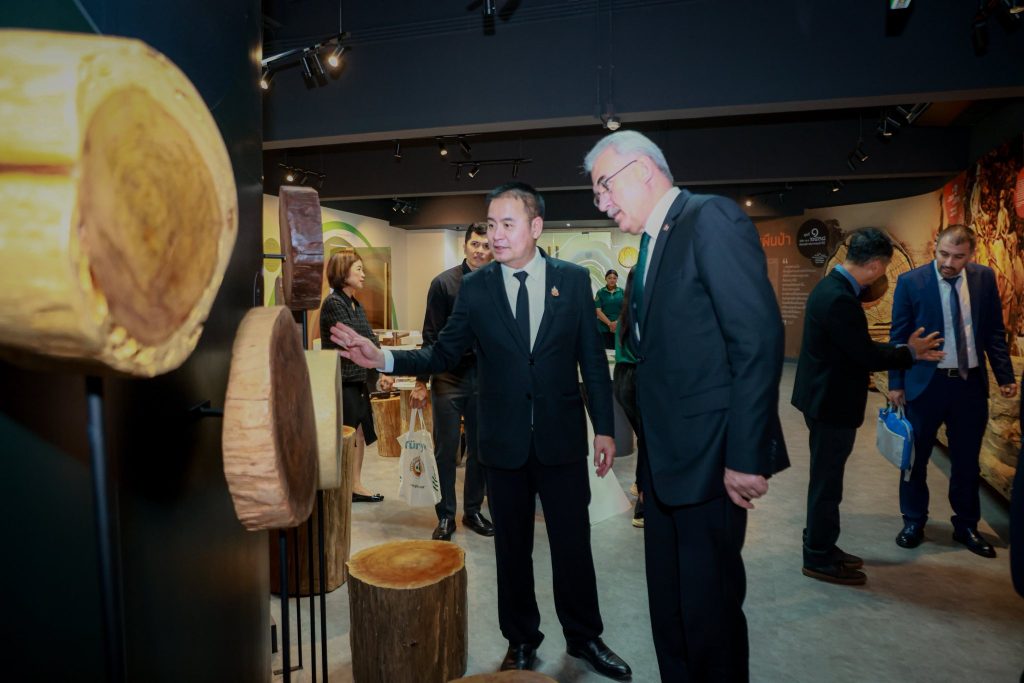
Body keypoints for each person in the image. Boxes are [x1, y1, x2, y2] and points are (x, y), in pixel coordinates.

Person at [330, 182, 632, 680]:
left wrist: (603, 428)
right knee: (512, 550)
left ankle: (584, 637)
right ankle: (521, 640)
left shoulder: (574, 281)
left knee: (573, 546)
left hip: (559, 439)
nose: (495, 235)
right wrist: (383, 357)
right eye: (491, 224)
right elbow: (443, 352)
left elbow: (591, 364)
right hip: (503, 442)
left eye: (507, 224)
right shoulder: (477, 287)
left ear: (536, 227)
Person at [585, 130, 788, 682]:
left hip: (712, 464)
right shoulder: (654, 243)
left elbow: (757, 340)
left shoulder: (709, 219)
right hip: (666, 467)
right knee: (670, 609)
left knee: (709, 615)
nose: (601, 202)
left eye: (604, 187)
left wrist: (746, 455)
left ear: (642, 169)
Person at [791, 228, 944, 586]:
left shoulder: (831, 287)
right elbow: (864, 354)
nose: (882, 275)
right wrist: (910, 352)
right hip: (831, 404)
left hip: (823, 400)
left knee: (826, 480)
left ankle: (822, 545)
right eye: (884, 268)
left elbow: (852, 348)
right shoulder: (839, 299)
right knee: (827, 484)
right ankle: (817, 555)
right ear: (875, 265)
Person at [888, 224, 1018, 557]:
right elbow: (898, 337)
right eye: (944, 254)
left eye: (958, 257)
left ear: (970, 255)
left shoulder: (984, 278)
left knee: (966, 463)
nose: (949, 262)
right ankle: (913, 521)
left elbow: (993, 332)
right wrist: (896, 384)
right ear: (936, 247)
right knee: (915, 460)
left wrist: (1004, 375)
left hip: (968, 385)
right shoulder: (910, 281)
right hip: (925, 384)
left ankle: (966, 526)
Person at [409, 223, 495, 541]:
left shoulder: (498, 282)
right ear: (465, 245)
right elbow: (430, 334)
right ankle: (446, 515)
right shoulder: (443, 283)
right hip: (447, 376)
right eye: (475, 244)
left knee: (480, 448)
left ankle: (472, 511)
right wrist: (421, 382)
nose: (480, 251)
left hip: (484, 377)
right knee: (446, 450)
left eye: (486, 246)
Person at [319, 251, 393, 503]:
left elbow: (369, 340)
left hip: (358, 380)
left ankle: (355, 485)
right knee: (348, 435)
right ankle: (345, 488)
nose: (363, 274)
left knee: (359, 433)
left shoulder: (354, 304)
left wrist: (382, 370)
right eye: (358, 269)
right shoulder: (334, 303)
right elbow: (352, 341)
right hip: (342, 380)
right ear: (343, 272)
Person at [594, 269, 623, 350]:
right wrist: (610, 324)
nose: (612, 280)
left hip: (619, 328)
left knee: (618, 352)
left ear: (617, 279)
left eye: (614, 278)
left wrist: (616, 323)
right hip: (604, 328)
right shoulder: (600, 292)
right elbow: (598, 311)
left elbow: (625, 310)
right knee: (606, 352)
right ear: (606, 279)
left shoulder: (622, 292)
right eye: (609, 278)